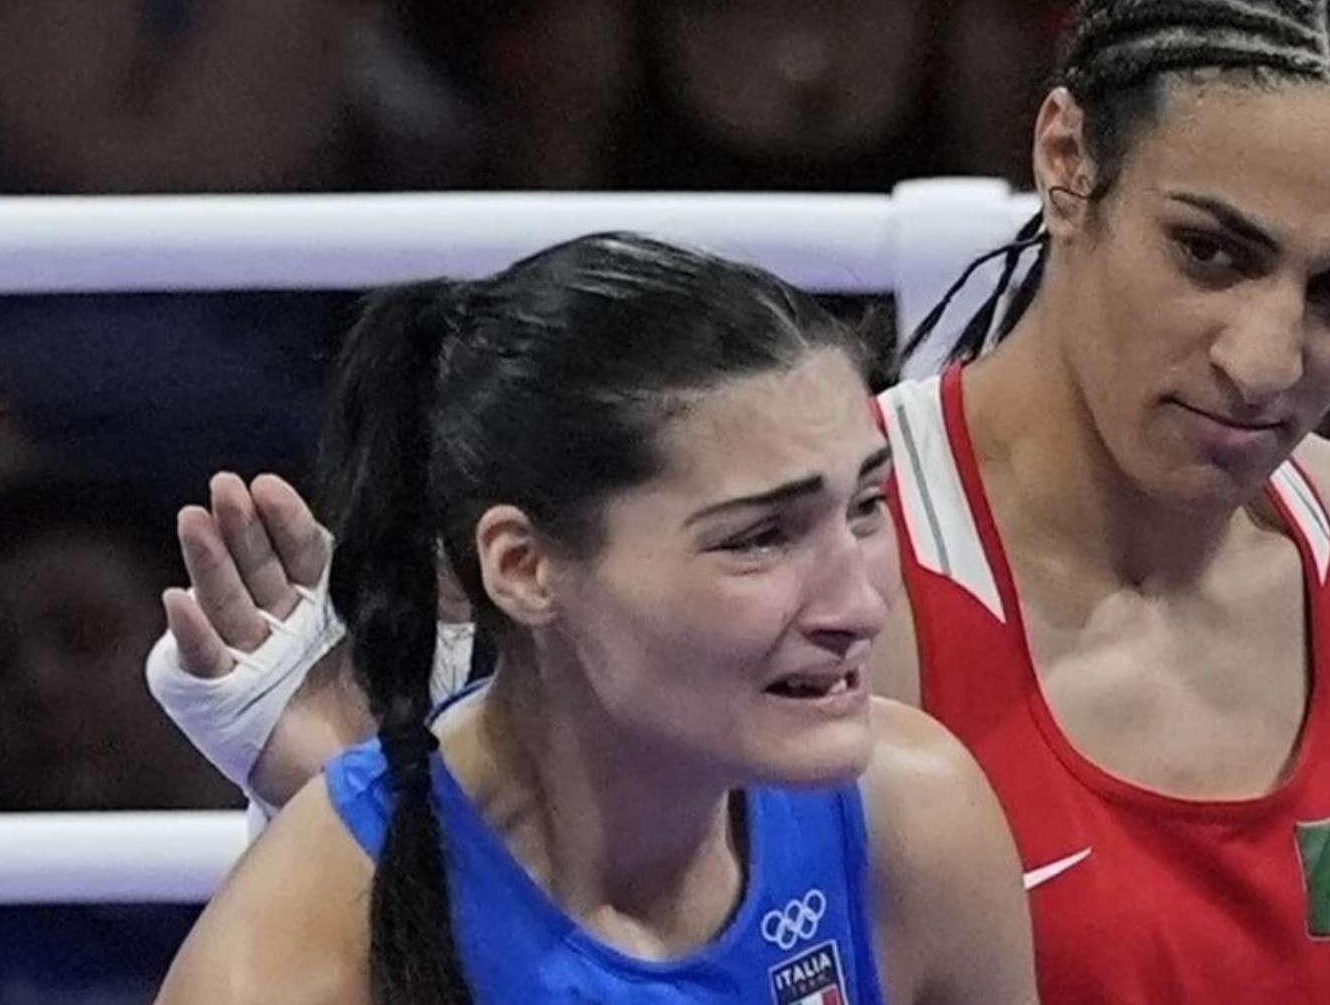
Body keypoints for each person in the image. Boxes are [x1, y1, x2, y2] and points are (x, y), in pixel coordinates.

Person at [149, 0, 1330, 1001]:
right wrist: (344, 784)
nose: (1266, 358)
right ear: (1067, 159)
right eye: (1209, 253)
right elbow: (556, 921)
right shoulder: (797, 575)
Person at [153, 235, 1037, 1004]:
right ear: (524, 567)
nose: (860, 605)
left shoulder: (914, 820)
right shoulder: (287, 967)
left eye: (866, 506)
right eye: (760, 537)